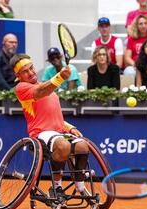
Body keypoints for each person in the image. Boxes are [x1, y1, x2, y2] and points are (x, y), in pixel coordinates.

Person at [10, 53, 89, 196]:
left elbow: (54, 116)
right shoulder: (22, 88)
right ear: (19, 76)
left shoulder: (47, 87)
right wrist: (60, 77)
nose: (31, 73)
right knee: (63, 146)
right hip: (40, 133)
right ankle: (57, 187)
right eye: (25, 71)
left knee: (83, 146)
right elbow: (40, 92)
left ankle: (80, 186)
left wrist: (70, 127)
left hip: (58, 131)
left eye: (31, 68)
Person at [124, 14, 147, 78]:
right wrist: (136, 65)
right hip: (136, 65)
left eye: (145, 23)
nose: (143, 26)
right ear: (136, 26)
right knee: (128, 71)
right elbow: (127, 58)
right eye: (140, 24)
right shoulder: (131, 39)